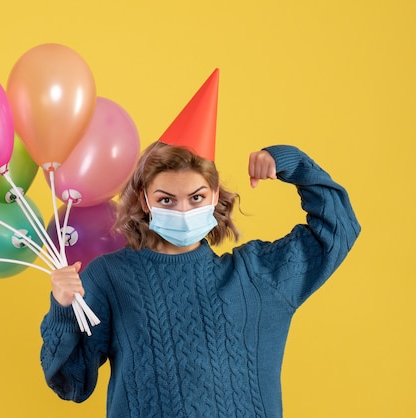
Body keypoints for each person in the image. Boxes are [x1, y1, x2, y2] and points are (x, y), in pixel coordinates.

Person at [39, 71, 361, 417]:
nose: (182, 209)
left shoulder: (258, 275)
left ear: (215, 196)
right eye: (166, 200)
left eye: (195, 197)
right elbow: (72, 383)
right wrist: (62, 307)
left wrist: (291, 163)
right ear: (145, 201)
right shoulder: (110, 277)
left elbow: (338, 229)